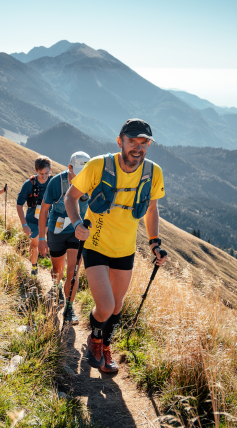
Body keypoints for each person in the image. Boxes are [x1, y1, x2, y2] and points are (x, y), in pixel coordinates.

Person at [64, 118, 167, 373]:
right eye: (132, 141)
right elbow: (71, 196)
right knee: (106, 306)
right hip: (96, 244)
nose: (138, 147)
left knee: (117, 306)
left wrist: (154, 243)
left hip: (125, 249)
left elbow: (152, 209)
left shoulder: (153, 172)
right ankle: (94, 340)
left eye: (144, 143)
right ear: (120, 141)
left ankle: (104, 345)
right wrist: (77, 222)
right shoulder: (100, 165)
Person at [38, 151, 91, 324]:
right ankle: (57, 285)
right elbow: (45, 210)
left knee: (73, 272)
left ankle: (69, 307)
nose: (82, 176)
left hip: (78, 230)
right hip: (57, 230)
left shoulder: (91, 182)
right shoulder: (56, 182)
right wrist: (41, 238)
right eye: (78, 171)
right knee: (58, 271)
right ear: (69, 167)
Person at [16, 156, 52, 276]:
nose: (44, 176)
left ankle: (55, 274)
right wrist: (24, 224)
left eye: (47, 173)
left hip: (49, 220)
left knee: (53, 245)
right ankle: (34, 267)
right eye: (41, 173)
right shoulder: (29, 184)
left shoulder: (53, 182)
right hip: (33, 220)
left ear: (50, 170)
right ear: (36, 170)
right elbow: (19, 205)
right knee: (35, 244)